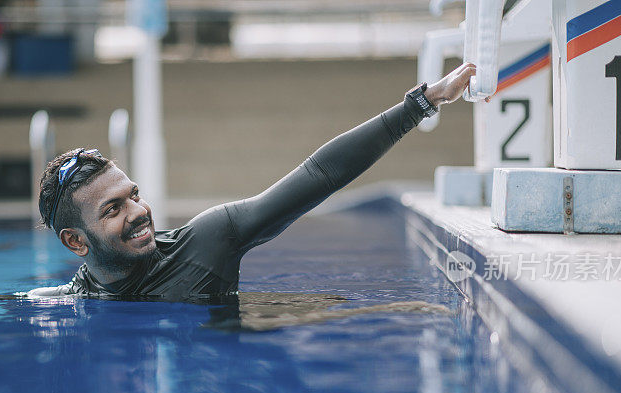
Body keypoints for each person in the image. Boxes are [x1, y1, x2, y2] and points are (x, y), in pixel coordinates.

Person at [28, 63, 476, 299]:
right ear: (75, 242)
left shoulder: (207, 242)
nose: (139, 212)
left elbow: (319, 174)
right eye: (112, 209)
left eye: (134, 195)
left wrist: (422, 103)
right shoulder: (67, 301)